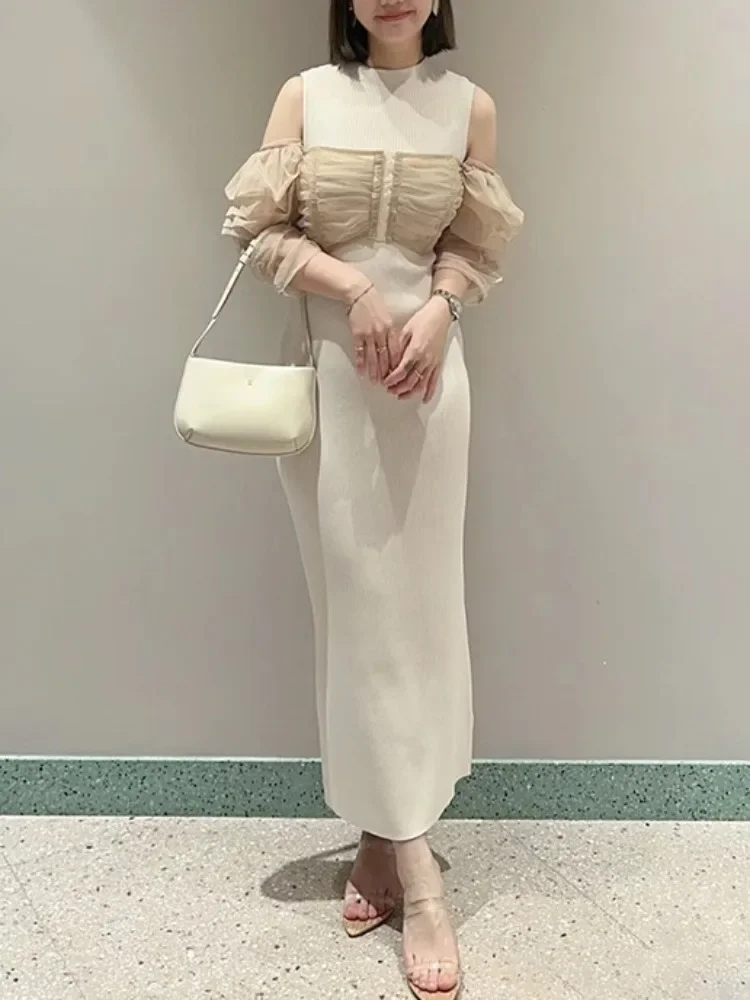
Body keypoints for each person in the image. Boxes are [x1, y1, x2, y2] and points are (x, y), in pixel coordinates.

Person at [221, 1, 523, 996]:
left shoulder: (469, 106)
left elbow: (475, 245)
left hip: (428, 389)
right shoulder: (307, 96)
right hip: (333, 384)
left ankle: (390, 845)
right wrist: (352, 290)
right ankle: (413, 865)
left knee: (421, 615)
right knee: (357, 614)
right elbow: (257, 229)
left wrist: (439, 309)